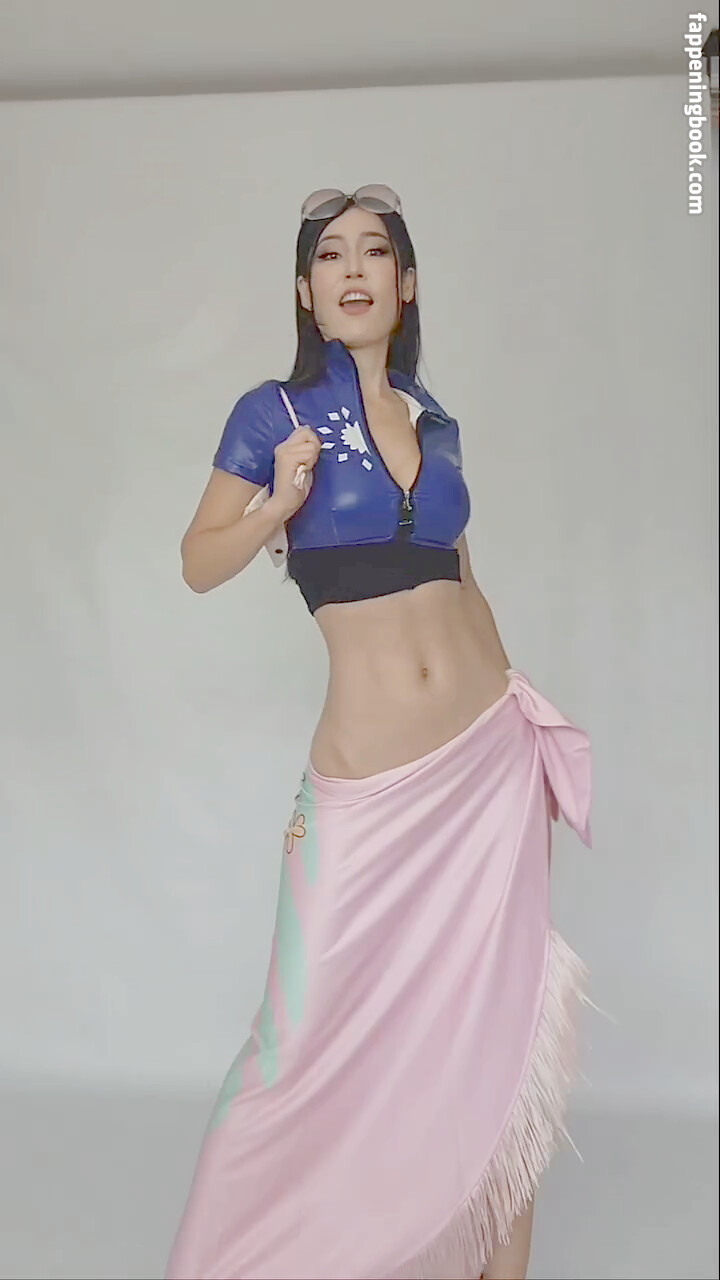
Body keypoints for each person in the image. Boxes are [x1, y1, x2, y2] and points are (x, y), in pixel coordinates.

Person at [165, 185, 594, 1280]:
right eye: (330, 256)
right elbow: (198, 560)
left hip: (489, 766)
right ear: (304, 291)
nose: (352, 269)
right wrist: (275, 507)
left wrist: (527, 720)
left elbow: (463, 580)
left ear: (406, 285)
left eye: (374, 252)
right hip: (370, 787)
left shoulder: (435, 419)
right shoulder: (273, 414)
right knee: (296, 1044)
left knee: (499, 1030)